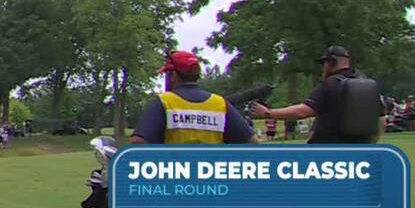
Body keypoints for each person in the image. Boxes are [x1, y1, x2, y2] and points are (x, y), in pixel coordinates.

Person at [251, 46, 381, 144]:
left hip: (327, 150)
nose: (323, 68)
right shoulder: (367, 85)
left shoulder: (330, 84)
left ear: (331, 62)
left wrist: (268, 113)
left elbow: (303, 111)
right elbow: (382, 120)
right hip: (358, 150)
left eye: (324, 63)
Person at [131, 50, 256, 144]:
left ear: (173, 76)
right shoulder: (220, 104)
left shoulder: (164, 102)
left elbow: (138, 142)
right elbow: (252, 142)